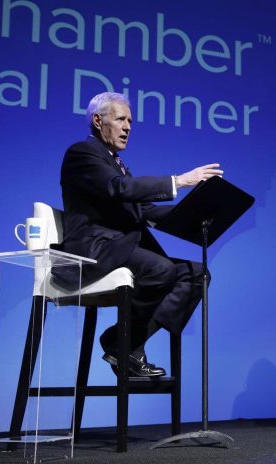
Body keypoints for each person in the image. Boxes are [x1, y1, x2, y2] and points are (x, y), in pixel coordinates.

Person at [55, 92, 223, 377]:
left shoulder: (116, 163)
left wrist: (197, 213)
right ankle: (122, 344)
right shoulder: (82, 154)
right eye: (121, 119)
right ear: (98, 121)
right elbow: (117, 189)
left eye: (130, 121)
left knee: (196, 274)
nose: (128, 127)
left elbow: (144, 209)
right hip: (95, 249)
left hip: (119, 247)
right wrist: (179, 181)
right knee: (160, 269)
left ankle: (125, 343)